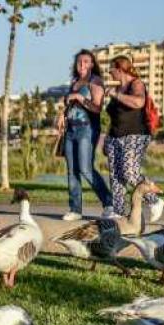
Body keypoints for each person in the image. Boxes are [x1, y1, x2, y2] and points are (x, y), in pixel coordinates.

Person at [104, 55, 164, 221]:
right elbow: (115, 117)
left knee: (129, 172)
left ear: (120, 69)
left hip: (136, 135)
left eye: (111, 69)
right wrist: (107, 138)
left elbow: (138, 103)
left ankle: (155, 200)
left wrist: (116, 95)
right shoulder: (118, 89)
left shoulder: (136, 84)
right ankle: (119, 211)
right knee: (116, 175)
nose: (109, 72)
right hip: (114, 136)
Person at [55, 49, 114, 221]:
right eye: (79, 61)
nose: (82, 65)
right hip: (71, 130)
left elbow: (97, 108)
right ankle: (75, 209)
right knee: (72, 171)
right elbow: (69, 106)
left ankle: (109, 203)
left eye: (86, 61)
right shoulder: (75, 82)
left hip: (87, 130)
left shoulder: (95, 82)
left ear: (92, 64)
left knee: (85, 169)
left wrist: (79, 98)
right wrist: (62, 115)